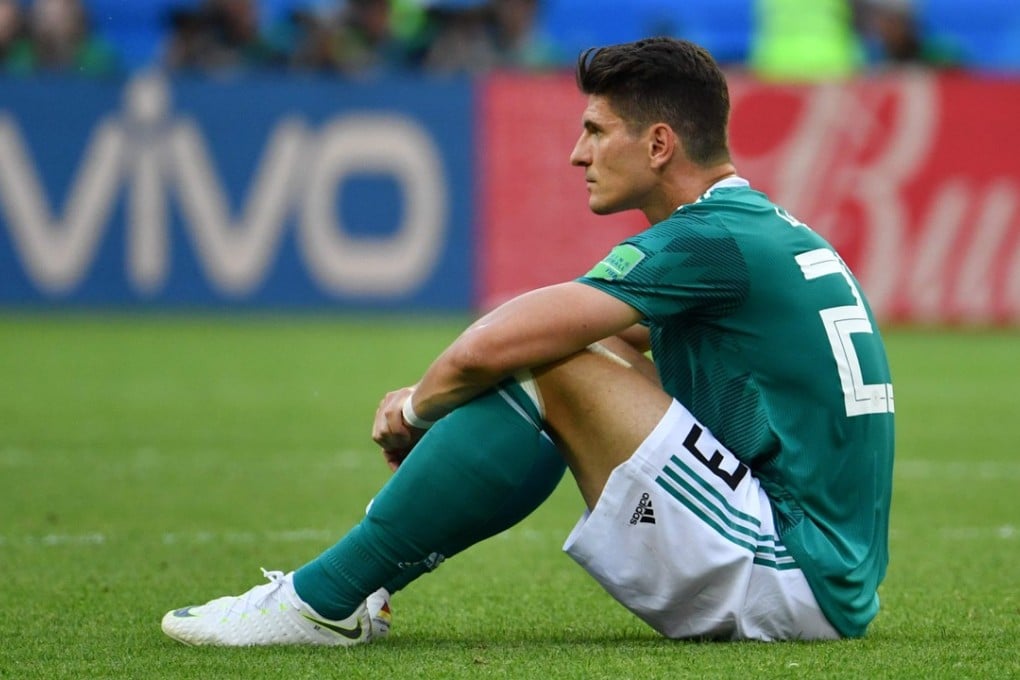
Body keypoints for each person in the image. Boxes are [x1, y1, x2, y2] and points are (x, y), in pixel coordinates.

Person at [161, 37, 894, 645]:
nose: (578, 153)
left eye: (597, 130)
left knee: (551, 361)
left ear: (659, 144)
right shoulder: (756, 228)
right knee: (568, 354)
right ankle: (363, 591)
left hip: (789, 573)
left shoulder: (708, 239)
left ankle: (323, 600)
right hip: (823, 571)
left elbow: (497, 346)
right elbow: (597, 337)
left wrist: (417, 408)